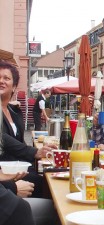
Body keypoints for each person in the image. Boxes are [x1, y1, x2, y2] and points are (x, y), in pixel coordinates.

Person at [0, 60, 57, 198]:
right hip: (5, 173)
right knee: (47, 185)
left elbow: (19, 142)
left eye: (6, 78)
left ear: (14, 87)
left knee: (51, 176)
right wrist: (35, 152)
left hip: (18, 167)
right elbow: (3, 138)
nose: (1, 81)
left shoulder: (14, 112)